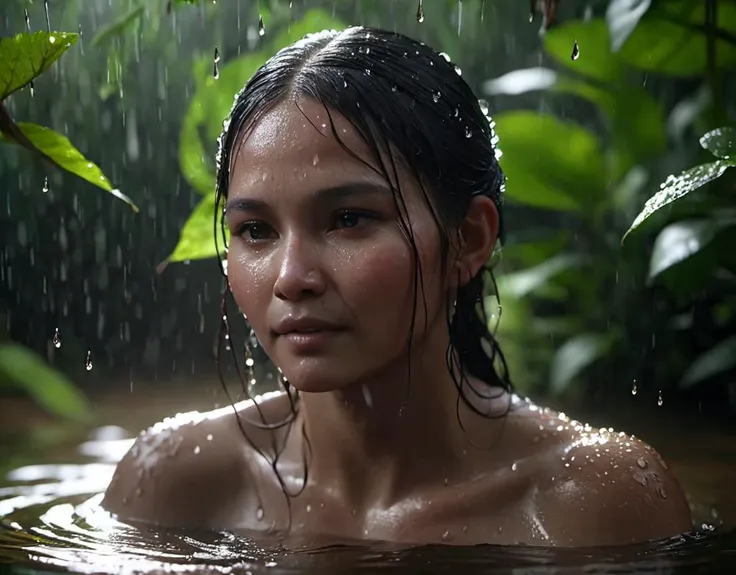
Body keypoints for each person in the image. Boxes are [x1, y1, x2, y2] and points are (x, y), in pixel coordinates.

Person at [103, 26, 693, 547]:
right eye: (255, 230)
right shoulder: (177, 483)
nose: (291, 278)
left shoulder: (587, 503)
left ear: (467, 238)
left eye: (349, 219)